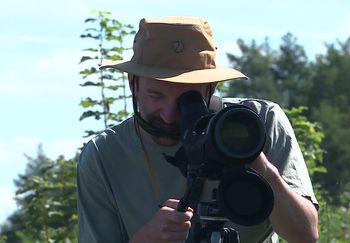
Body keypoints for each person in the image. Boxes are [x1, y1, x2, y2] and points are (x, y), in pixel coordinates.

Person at [77, 16, 319, 243]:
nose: (169, 114)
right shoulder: (104, 154)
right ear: (133, 85)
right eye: (156, 95)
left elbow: (305, 235)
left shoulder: (259, 122)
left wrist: (259, 164)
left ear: (210, 88)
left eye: (186, 99)